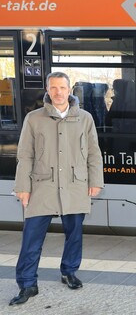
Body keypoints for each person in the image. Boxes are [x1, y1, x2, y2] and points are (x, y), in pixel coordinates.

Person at [9, 72, 104, 306]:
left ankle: (69, 271)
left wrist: (95, 181)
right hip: (42, 185)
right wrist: (22, 187)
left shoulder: (85, 118)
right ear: (47, 90)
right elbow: (25, 155)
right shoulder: (34, 118)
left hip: (75, 184)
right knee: (32, 238)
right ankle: (27, 283)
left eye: (62, 87)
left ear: (70, 89)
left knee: (74, 234)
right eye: (54, 87)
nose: (58, 92)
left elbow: (94, 152)